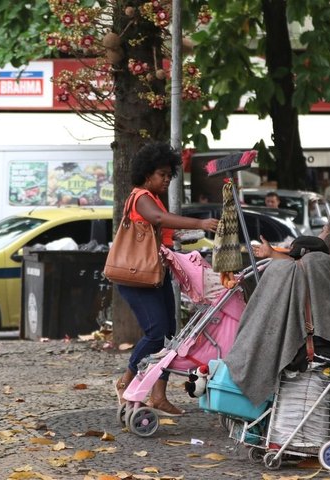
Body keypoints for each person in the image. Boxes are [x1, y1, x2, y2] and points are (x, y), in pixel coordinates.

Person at [114, 142, 219, 416]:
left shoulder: (154, 198)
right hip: (136, 277)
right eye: (162, 174)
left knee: (169, 336)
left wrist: (187, 238)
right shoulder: (141, 196)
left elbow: (163, 233)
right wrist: (200, 223)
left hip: (153, 276)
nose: (167, 179)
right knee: (156, 332)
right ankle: (126, 382)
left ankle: (158, 396)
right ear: (147, 174)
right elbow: (159, 218)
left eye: (169, 175)